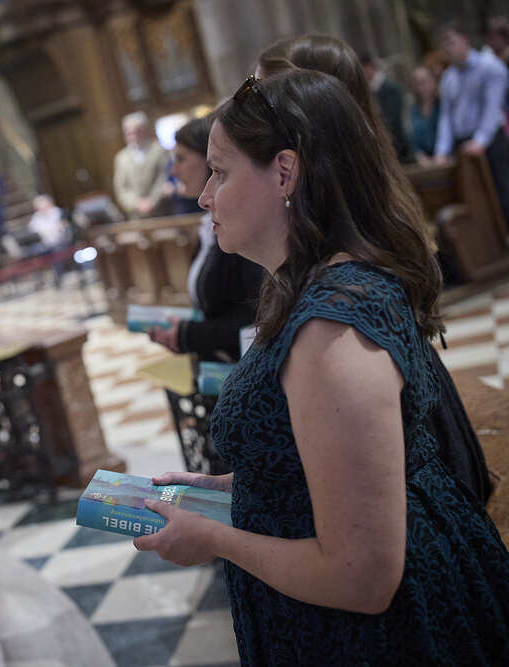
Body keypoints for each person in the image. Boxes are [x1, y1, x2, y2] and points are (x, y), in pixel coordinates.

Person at [136, 69, 509, 665]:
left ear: (284, 172)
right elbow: (325, 463)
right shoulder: (313, 285)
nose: (205, 196)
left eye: (220, 172)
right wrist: (235, 487)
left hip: (378, 636)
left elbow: (362, 576)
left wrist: (213, 539)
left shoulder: (332, 330)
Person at [258, 32, 494, 507]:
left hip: (410, 441)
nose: (253, 114)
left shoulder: (340, 224)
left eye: (261, 95)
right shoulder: (354, 183)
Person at [148, 116, 264, 474]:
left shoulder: (243, 230)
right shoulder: (209, 225)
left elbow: (255, 320)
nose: (174, 168)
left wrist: (186, 335)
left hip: (247, 384)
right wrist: (183, 329)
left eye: (182, 158)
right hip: (222, 377)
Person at [433, 22, 509, 228]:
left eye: (451, 41)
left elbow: (493, 108)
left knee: (502, 194)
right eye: (444, 44)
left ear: (465, 40)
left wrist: (480, 141)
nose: (447, 48)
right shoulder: (448, 77)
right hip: (463, 144)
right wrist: (441, 151)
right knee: (475, 201)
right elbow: (446, 117)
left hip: (490, 140)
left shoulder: (489, 67)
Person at [113, 111, 170, 219]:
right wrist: (136, 204)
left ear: (144, 130)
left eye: (136, 131)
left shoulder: (159, 151)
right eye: (128, 133)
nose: (132, 136)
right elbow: (121, 188)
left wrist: (152, 201)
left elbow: (163, 178)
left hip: (161, 212)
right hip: (136, 216)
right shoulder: (121, 157)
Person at [360, 54, 412, 162]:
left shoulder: (390, 89)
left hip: (398, 146)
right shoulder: (371, 90)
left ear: (369, 67)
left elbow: (392, 121)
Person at [410, 65, 441, 163]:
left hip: (445, 157)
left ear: (433, 81)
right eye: (417, 84)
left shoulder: (442, 105)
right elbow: (412, 140)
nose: (422, 87)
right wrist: (419, 156)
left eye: (424, 82)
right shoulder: (413, 110)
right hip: (424, 160)